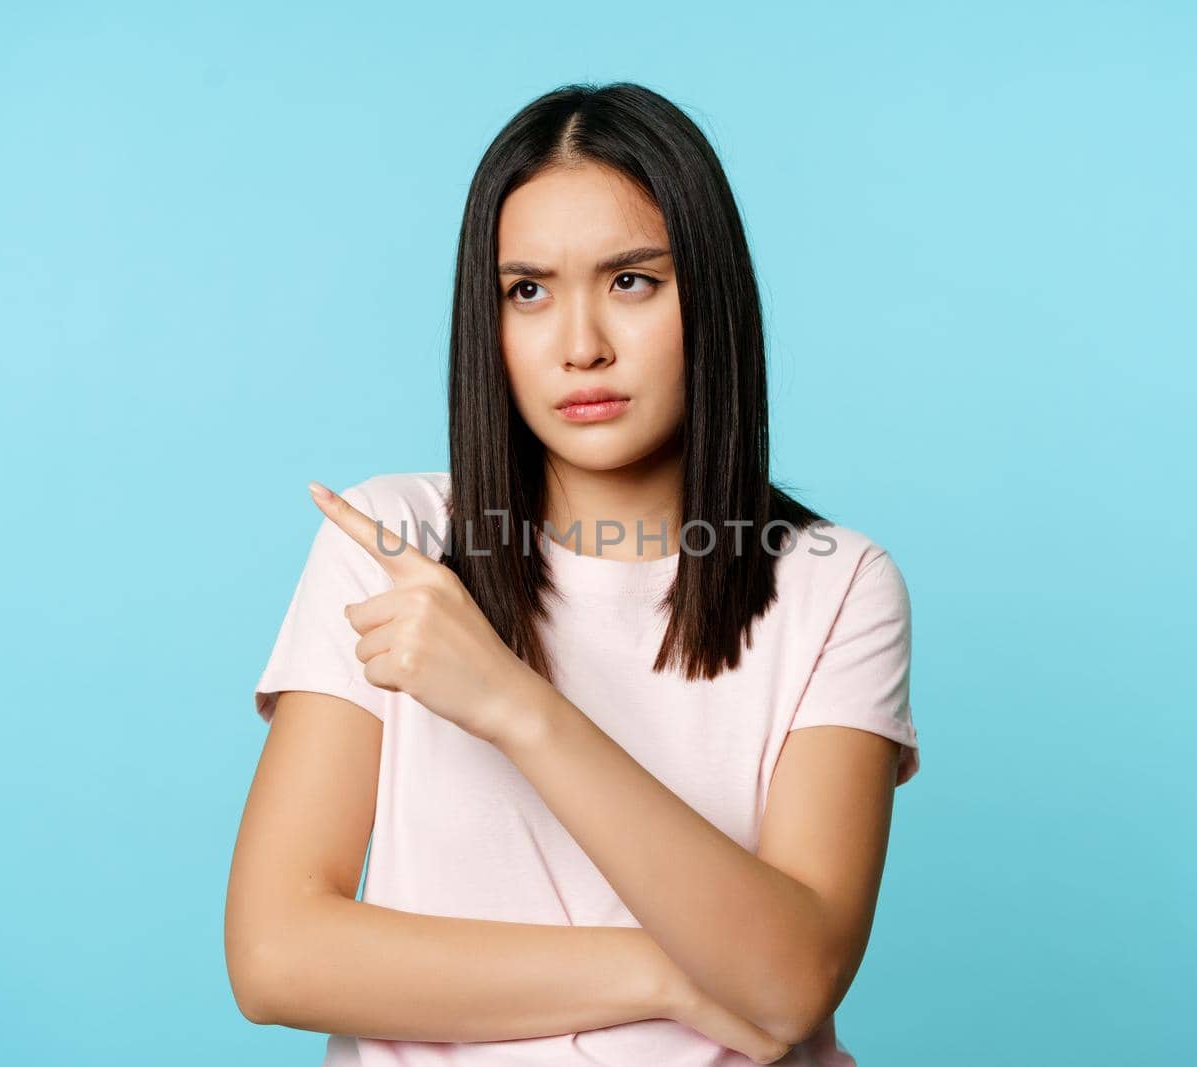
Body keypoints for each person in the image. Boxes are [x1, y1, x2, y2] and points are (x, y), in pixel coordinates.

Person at [225, 81, 920, 1066]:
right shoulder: (395, 540)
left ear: (708, 297)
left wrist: (514, 703)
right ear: (491, 318)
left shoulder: (831, 582)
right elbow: (275, 954)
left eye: (632, 281)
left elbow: (790, 977)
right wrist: (663, 971)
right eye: (529, 290)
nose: (580, 344)